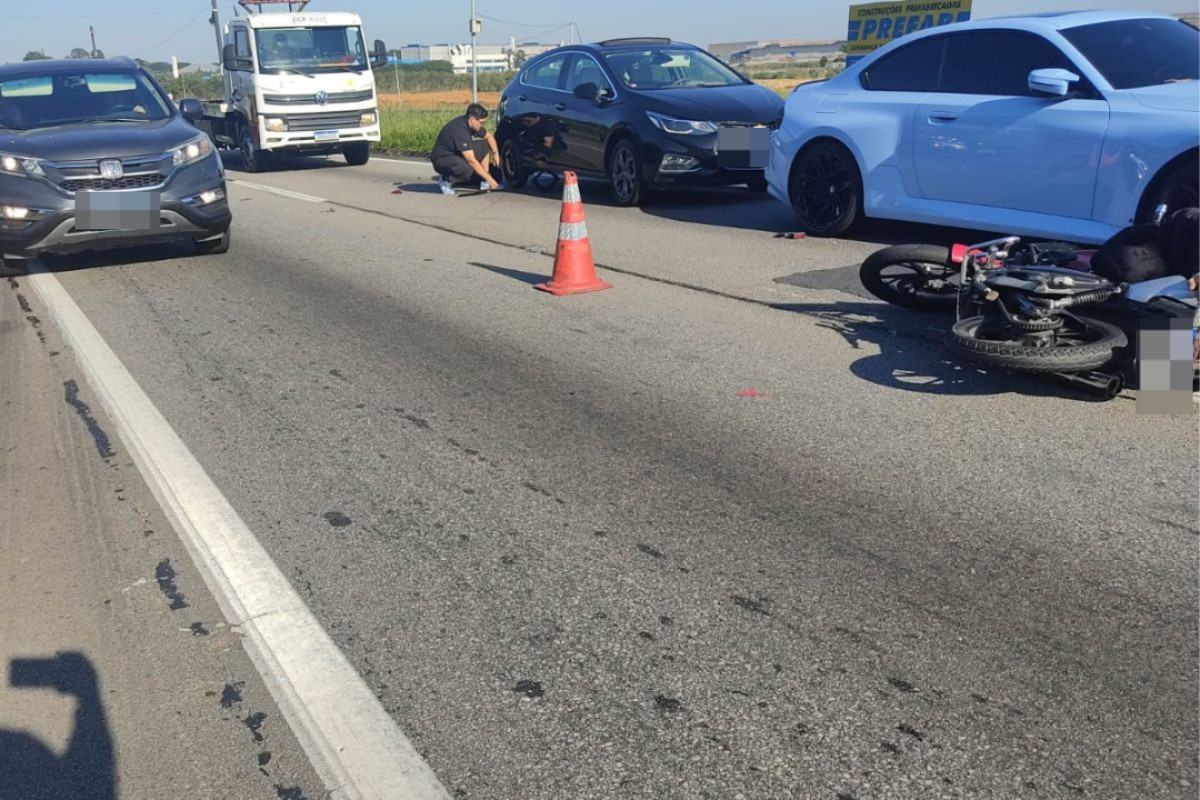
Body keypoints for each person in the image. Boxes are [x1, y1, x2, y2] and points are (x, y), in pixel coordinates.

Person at [431, 103, 501, 195]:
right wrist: (489, 178)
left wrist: (496, 154)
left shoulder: (473, 124)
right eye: (481, 122)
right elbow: (471, 160)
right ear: (472, 119)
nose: (483, 125)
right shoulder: (459, 130)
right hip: (442, 159)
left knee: (483, 145)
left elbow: (489, 137)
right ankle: (445, 180)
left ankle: (484, 182)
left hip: (455, 153)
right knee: (467, 170)